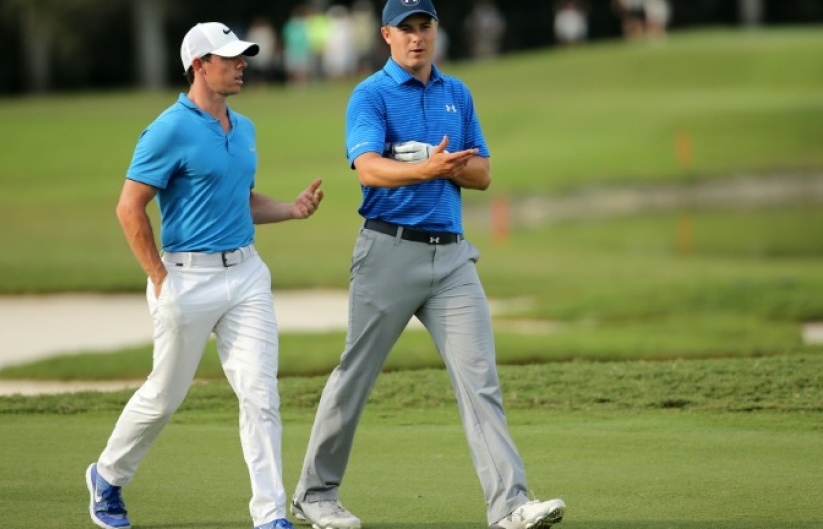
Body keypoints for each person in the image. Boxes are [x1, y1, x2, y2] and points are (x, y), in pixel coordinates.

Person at [290, 2, 565, 529]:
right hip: (388, 252)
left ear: (435, 32)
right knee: (356, 375)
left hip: (453, 257)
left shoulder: (455, 94)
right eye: (407, 30)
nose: (417, 39)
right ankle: (315, 494)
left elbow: (482, 173)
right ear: (387, 35)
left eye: (426, 28)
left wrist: (441, 166)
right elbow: (368, 170)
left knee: (479, 378)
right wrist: (429, 166)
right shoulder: (370, 95)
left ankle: (509, 506)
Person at [85, 21, 324, 529]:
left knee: (261, 394)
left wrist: (291, 209)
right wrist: (159, 277)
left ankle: (270, 516)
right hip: (185, 280)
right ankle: (107, 476)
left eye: (243, 57)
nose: (242, 65)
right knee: (164, 396)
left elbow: (240, 202)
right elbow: (130, 207)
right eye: (230, 58)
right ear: (199, 65)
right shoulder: (168, 128)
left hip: (247, 275)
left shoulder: (246, 128)